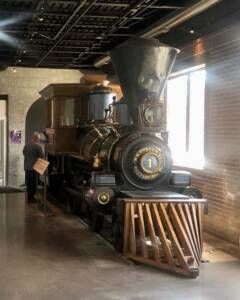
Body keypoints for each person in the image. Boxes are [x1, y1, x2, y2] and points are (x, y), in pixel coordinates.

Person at [23, 133, 44, 203]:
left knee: (29, 183)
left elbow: (24, 153)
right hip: (34, 168)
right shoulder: (38, 146)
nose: (38, 140)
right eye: (38, 138)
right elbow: (41, 156)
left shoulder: (26, 145)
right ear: (36, 138)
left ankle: (29, 197)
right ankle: (32, 199)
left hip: (27, 167)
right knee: (34, 183)